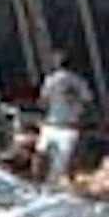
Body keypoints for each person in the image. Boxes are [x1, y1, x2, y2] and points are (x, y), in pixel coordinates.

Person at [37, 51, 94, 186]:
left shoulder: (51, 80)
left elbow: (43, 102)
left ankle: (37, 183)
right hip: (70, 125)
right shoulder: (80, 81)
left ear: (56, 64)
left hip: (52, 123)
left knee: (41, 154)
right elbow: (88, 102)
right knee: (67, 159)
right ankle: (67, 183)